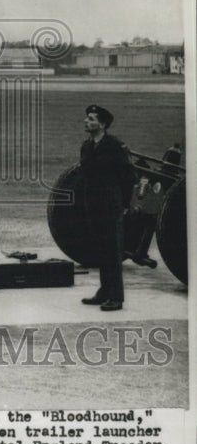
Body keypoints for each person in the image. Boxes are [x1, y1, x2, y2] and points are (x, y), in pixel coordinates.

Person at [79, 104, 136, 311]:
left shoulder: (114, 146)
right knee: (101, 250)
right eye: (87, 118)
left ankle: (116, 297)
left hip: (111, 206)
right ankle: (104, 291)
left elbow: (129, 177)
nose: (86, 121)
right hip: (93, 206)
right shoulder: (86, 147)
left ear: (102, 124)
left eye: (92, 119)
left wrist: (123, 205)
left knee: (112, 252)